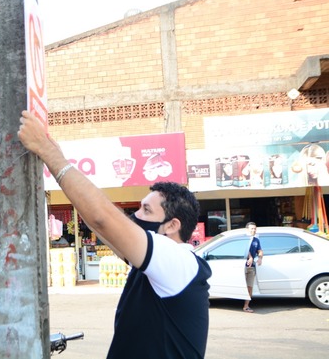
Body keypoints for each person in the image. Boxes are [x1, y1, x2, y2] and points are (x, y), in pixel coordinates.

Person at [18, 110, 212, 359]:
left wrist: (49, 153)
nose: (136, 216)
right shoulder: (154, 266)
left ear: (172, 225)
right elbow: (99, 225)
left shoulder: (178, 261)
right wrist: (54, 159)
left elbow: (104, 218)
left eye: (146, 210)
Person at [243, 222, 263, 313]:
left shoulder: (256, 240)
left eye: (255, 228)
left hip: (251, 267)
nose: (253, 230)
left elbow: (260, 251)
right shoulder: (243, 238)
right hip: (242, 266)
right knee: (241, 286)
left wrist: (260, 258)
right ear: (247, 229)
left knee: (250, 287)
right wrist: (250, 257)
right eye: (252, 229)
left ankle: (246, 306)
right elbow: (244, 249)